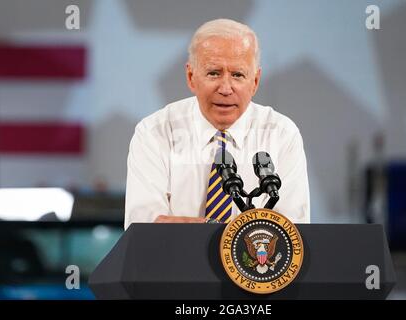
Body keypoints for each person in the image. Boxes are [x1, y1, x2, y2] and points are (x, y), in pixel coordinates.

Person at [124, 19, 310, 229]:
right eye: (214, 73)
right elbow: (143, 228)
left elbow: (293, 232)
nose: (225, 88)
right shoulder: (154, 132)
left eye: (238, 75)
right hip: (174, 261)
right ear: (191, 77)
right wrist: (222, 232)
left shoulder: (282, 134)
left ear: (255, 81)